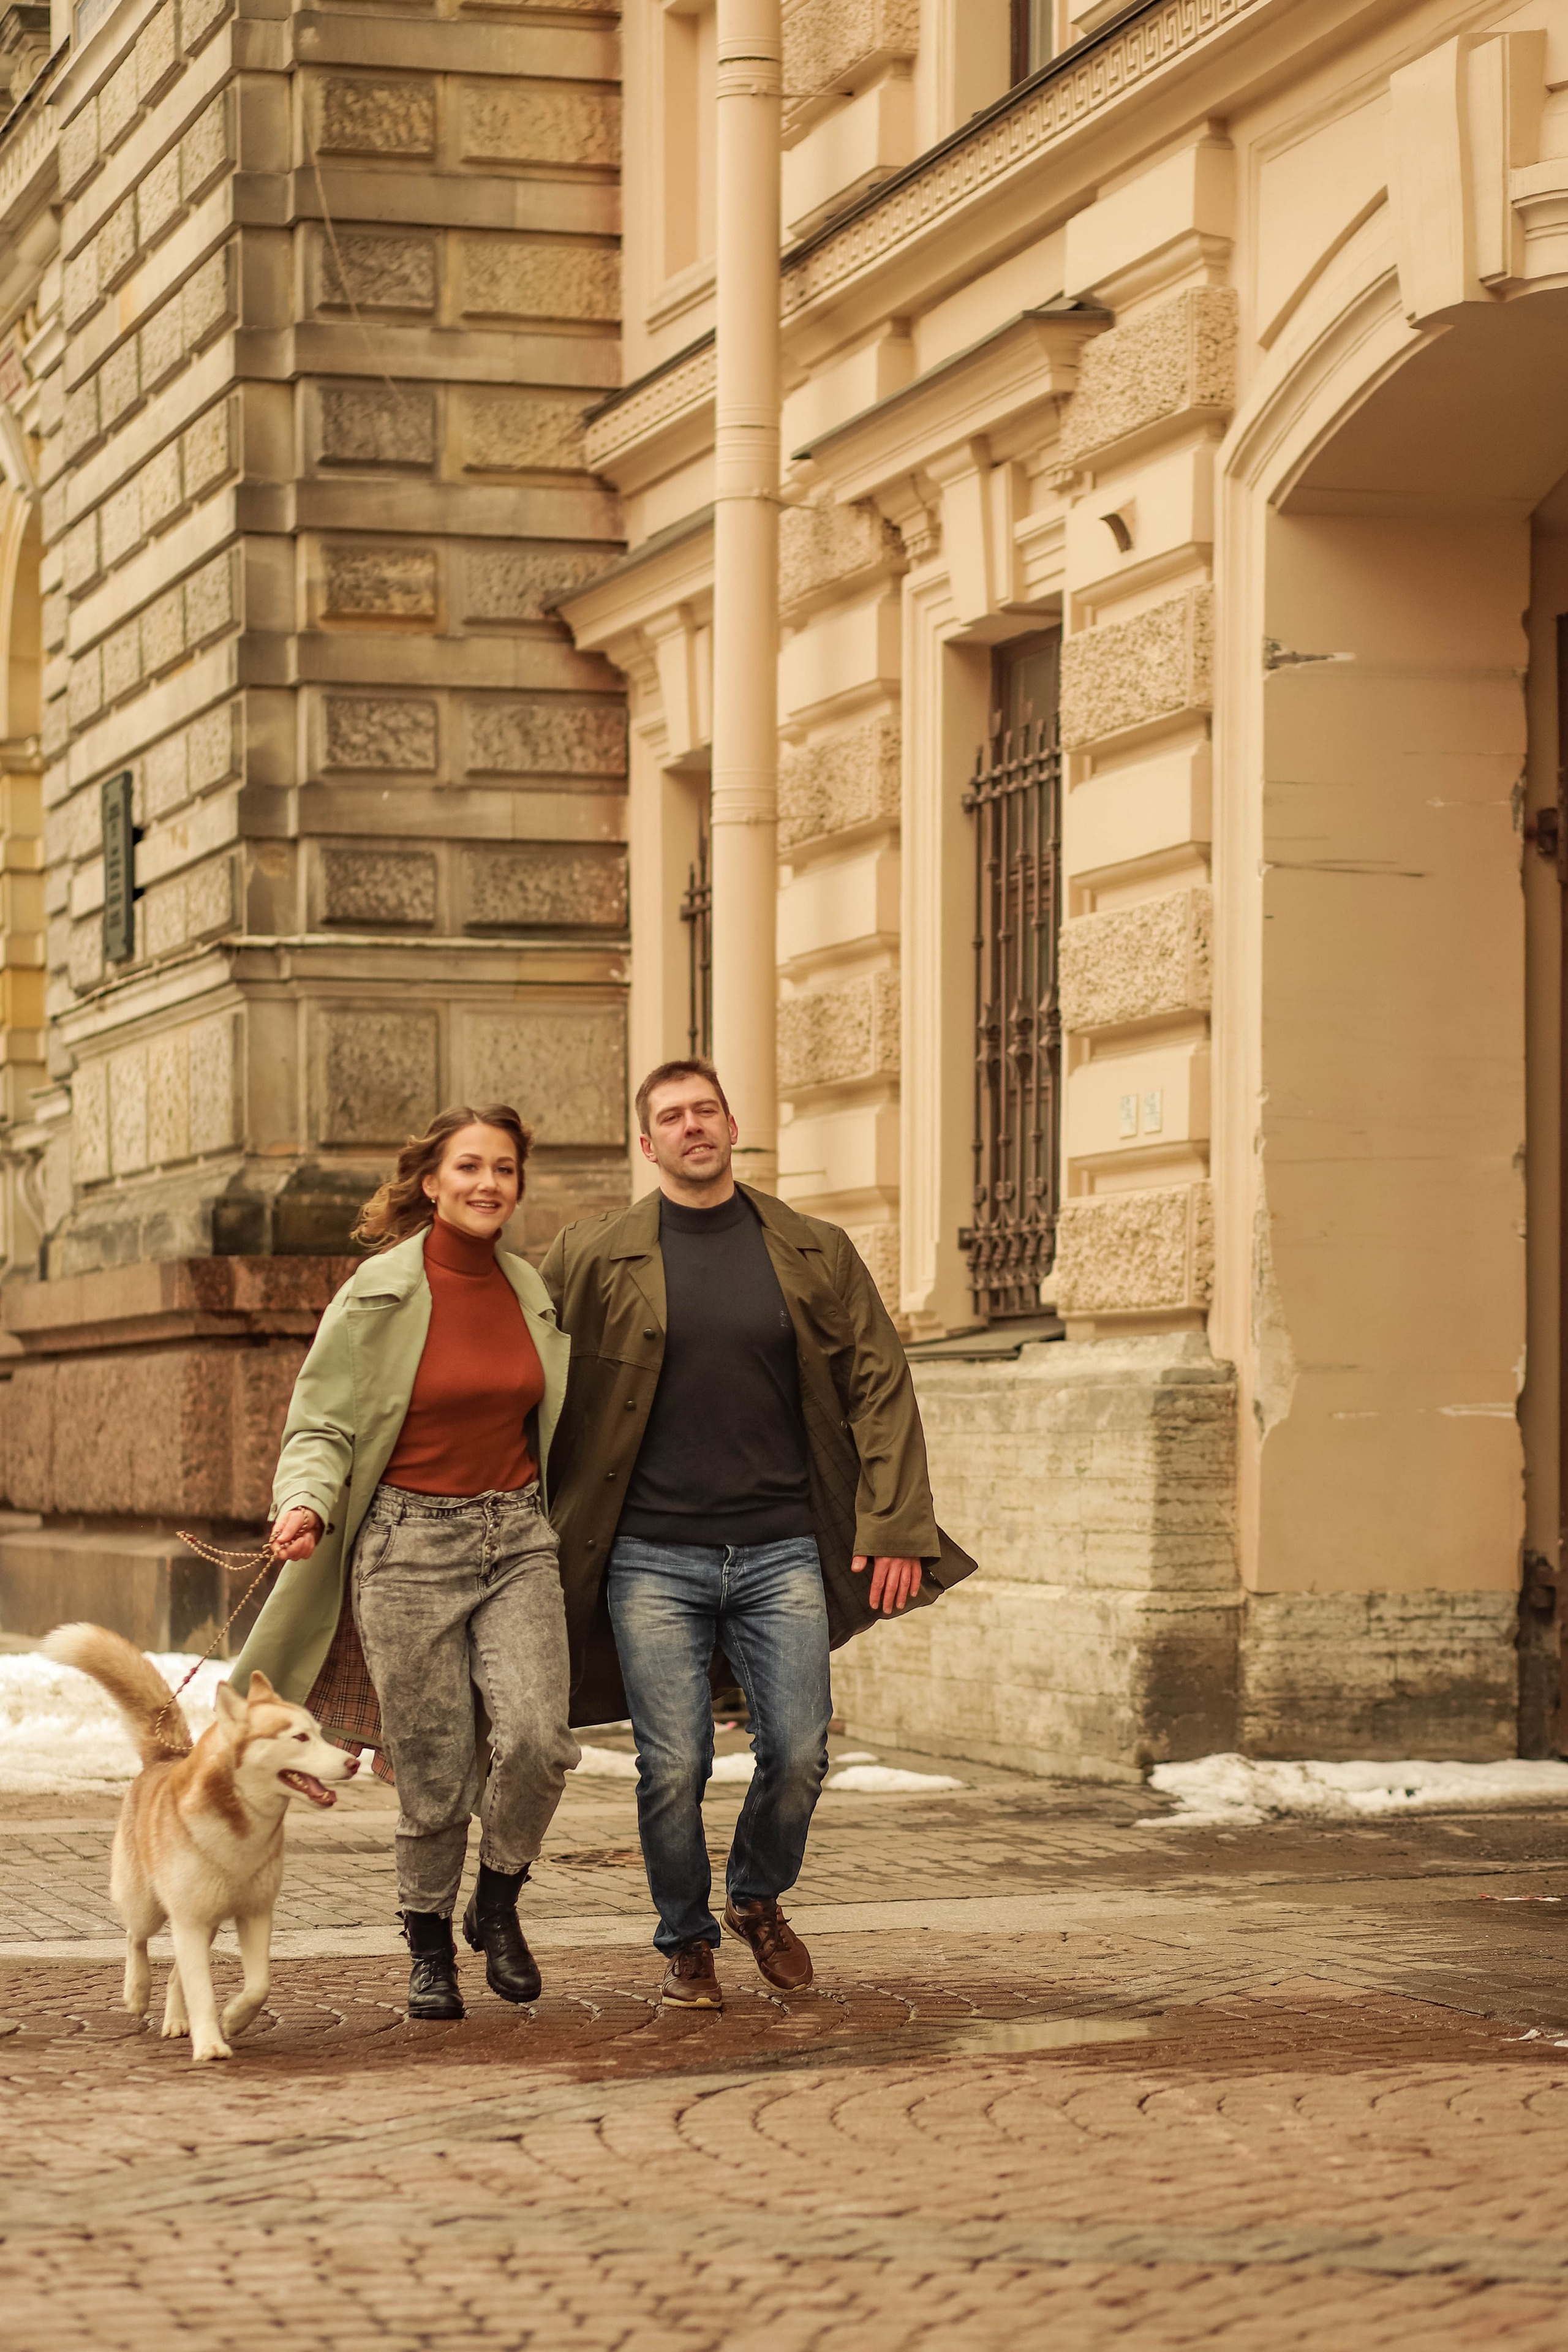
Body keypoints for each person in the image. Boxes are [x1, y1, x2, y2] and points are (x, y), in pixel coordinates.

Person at [541, 1058, 977, 2010]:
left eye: (707, 1110)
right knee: (675, 1762)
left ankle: (756, 1898)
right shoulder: (590, 1253)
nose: (692, 1126)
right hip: (649, 1555)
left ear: (733, 1127)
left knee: (799, 1749)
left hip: (782, 1548)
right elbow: (528, 1376)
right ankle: (686, 1942)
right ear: (646, 1144)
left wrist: (896, 1524)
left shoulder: (814, 1249)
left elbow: (879, 1386)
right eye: (671, 1116)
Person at [230, 1104, 578, 2023]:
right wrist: (302, 1502)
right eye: (469, 1167)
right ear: (432, 1181)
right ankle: (427, 1939)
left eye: (503, 1170)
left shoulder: (530, 1290)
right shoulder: (376, 1293)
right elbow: (321, 1424)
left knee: (542, 1740)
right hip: (406, 1547)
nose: (487, 1184)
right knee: (430, 1763)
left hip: (517, 1539)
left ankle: (496, 1901)